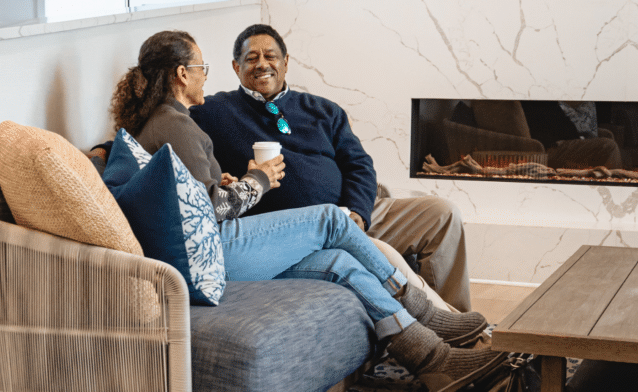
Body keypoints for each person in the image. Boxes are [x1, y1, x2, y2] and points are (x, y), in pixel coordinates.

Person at [108, 30, 502, 391]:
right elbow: (214, 209)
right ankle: (423, 313)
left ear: (286, 61)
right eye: (201, 68)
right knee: (330, 219)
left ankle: (434, 361)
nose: (204, 77)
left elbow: (192, 191)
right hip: (216, 252)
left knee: (340, 265)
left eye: (271, 56)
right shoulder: (180, 122)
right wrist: (258, 179)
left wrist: (225, 180)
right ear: (181, 73)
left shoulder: (167, 121)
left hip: (218, 249)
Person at [190, 24, 474, 312]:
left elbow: (359, 165)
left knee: (442, 213)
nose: (262, 64)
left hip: (349, 214)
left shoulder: (324, 110)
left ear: (286, 63)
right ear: (236, 66)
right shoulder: (211, 112)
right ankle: (438, 318)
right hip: (294, 229)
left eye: (271, 56)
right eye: (252, 58)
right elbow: (179, 134)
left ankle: (457, 318)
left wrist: (358, 213)